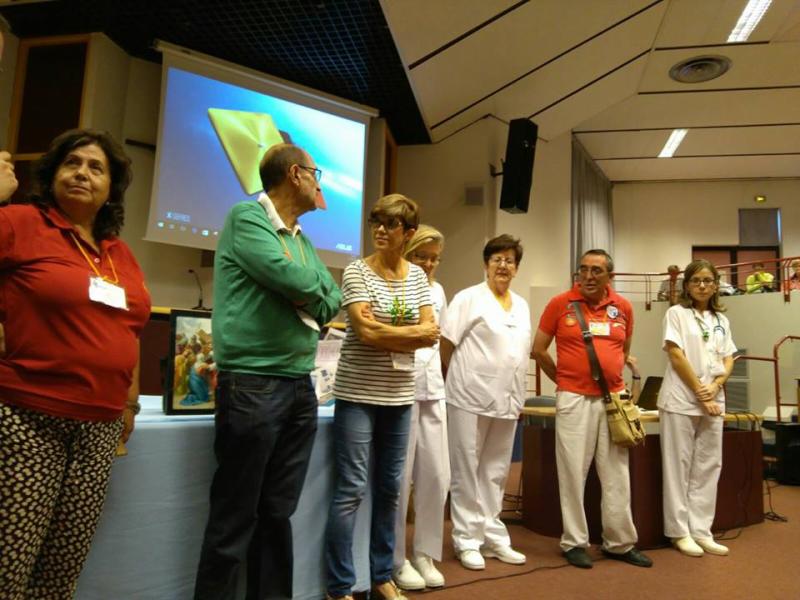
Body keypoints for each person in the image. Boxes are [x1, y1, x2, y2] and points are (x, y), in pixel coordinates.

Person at [0, 129, 151, 598]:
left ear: (111, 190)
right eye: (73, 163)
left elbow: (131, 329)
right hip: (28, 418)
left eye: (96, 167)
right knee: (9, 566)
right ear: (52, 175)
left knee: (60, 572)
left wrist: (129, 405)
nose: (82, 173)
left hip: (100, 429)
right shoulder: (20, 222)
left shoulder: (118, 253)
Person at [194, 143, 342, 600]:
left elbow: (331, 298)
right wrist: (308, 288)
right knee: (236, 514)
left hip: (299, 387)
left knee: (277, 512)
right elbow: (294, 280)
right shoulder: (247, 217)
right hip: (253, 385)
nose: (320, 183)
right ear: (295, 174)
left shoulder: (299, 237)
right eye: (316, 173)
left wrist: (309, 290)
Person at [325, 194, 438, 600]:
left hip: (399, 397)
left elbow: (432, 332)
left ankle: (381, 578)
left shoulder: (418, 277)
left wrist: (391, 333)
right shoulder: (356, 271)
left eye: (389, 224)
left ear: (407, 234)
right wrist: (410, 335)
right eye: (376, 222)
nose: (379, 230)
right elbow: (368, 332)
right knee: (352, 489)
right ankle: (339, 587)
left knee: (392, 490)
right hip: (357, 395)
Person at [532, 249, 652, 570]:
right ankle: (574, 542)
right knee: (573, 472)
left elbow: (623, 351)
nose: (587, 276)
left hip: (613, 399)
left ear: (609, 276)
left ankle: (620, 543)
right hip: (573, 399)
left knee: (616, 474)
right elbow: (539, 350)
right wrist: (564, 380)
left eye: (596, 271)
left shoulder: (623, 308)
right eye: (583, 269)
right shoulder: (560, 304)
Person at [439, 234, 531, 571]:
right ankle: (466, 540)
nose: (503, 265)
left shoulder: (521, 304)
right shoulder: (468, 298)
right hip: (468, 397)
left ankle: (493, 536)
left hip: (507, 400)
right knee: (466, 470)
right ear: (486, 264)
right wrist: (459, 380)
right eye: (497, 259)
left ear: (517, 268)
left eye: (509, 260)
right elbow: (446, 345)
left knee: (495, 471)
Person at [659, 260, 736, 558]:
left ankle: (702, 530)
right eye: (696, 281)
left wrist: (716, 387)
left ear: (715, 285)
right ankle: (679, 532)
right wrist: (701, 393)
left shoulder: (721, 319)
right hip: (681, 400)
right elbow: (676, 355)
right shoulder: (676, 314)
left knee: (708, 466)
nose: (702, 285)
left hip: (713, 400)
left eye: (707, 280)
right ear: (687, 285)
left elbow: (729, 358)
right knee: (678, 467)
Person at [392, 225, 450, 591]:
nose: (428, 264)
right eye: (421, 256)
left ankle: (424, 552)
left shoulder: (438, 290)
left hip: (433, 391)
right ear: (407, 252)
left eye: (434, 259)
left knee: (437, 475)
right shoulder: (394, 284)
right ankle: (395, 558)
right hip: (400, 389)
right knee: (399, 480)